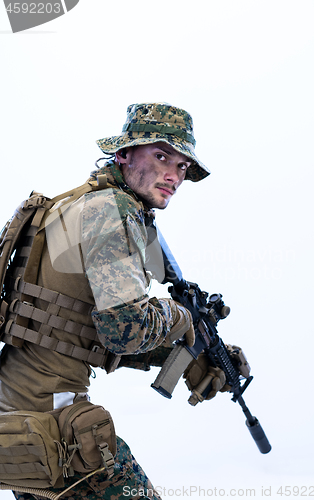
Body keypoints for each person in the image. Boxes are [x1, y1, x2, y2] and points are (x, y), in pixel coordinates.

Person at [0, 102, 226, 500]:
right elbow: (124, 330)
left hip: (19, 417)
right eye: (161, 156)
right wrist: (179, 316)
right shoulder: (112, 211)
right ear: (123, 154)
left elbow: (78, 331)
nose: (173, 175)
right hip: (55, 429)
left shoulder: (75, 204)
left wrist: (185, 354)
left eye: (183, 167)